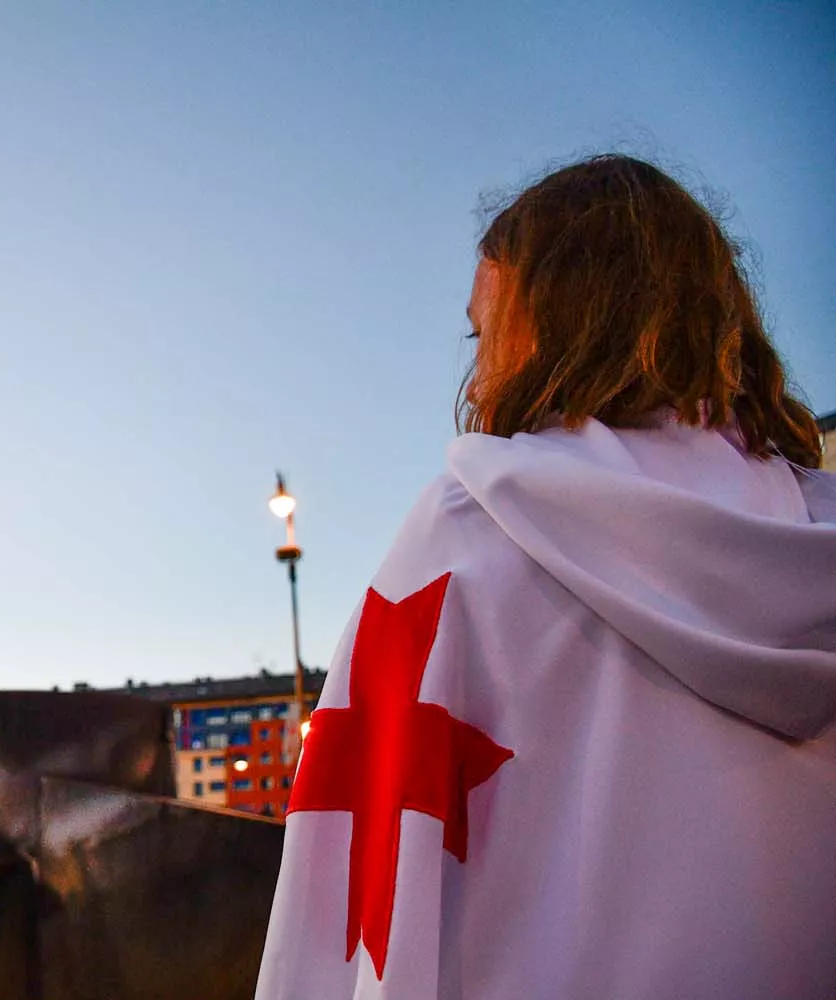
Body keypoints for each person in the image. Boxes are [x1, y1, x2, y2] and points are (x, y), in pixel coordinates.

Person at [254, 155, 835, 999]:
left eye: (482, 334)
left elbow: (355, 907)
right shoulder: (815, 533)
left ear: (554, 329)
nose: (478, 373)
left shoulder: (469, 530)